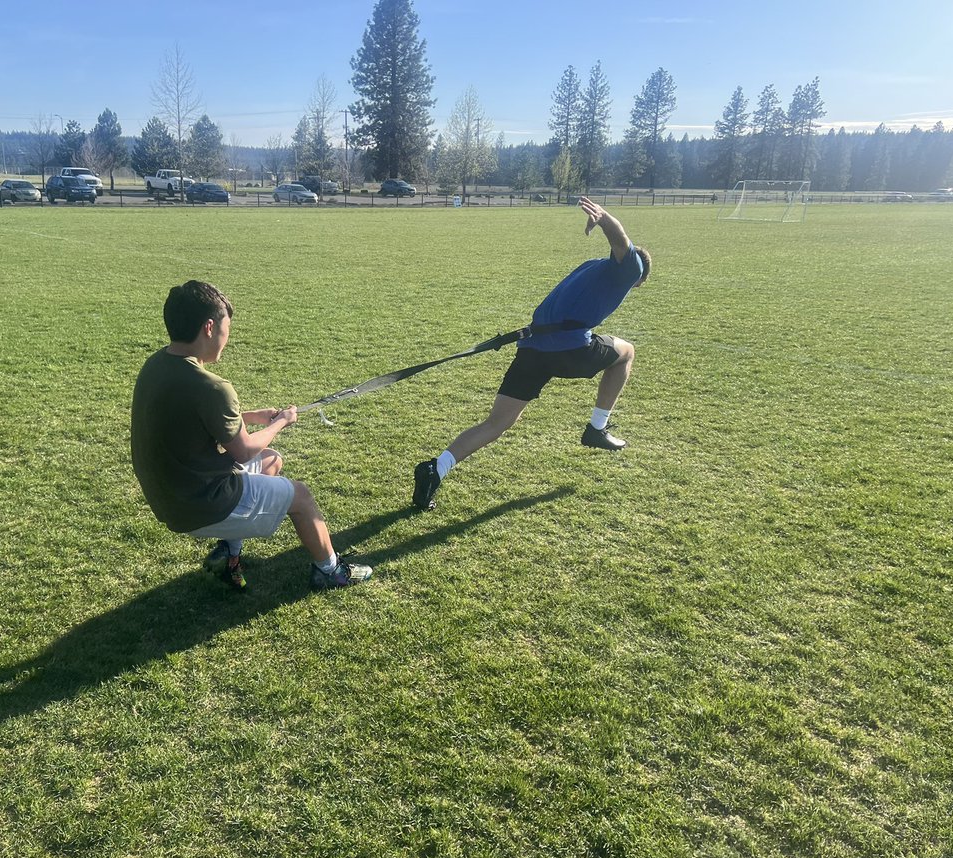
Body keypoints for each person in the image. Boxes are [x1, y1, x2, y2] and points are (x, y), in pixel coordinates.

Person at [412, 197, 651, 511]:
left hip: (532, 347)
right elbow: (620, 240)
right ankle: (597, 428)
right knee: (627, 351)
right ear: (638, 277)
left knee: (497, 422)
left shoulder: (592, 267)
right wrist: (605, 219)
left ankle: (435, 469)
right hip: (570, 349)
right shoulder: (629, 268)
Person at [132, 280, 373, 590]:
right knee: (300, 496)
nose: (226, 338)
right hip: (199, 504)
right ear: (209, 327)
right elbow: (243, 451)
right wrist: (279, 423)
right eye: (225, 328)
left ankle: (228, 556)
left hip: (168, 498)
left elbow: (193, 423)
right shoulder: (212, 387)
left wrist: (253, 417)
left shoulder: (155, 366)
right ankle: (330, 570)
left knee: (271, 461)